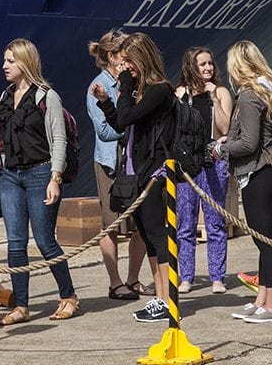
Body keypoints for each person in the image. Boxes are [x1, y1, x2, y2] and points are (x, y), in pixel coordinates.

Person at [0, 38, 79, 325]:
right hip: (11, 176)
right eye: (5, 60)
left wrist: (55, 177)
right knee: (15, 243)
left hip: (41, 173)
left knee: (45, 241)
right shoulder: (6, 97)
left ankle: (68, 296)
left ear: (25, 63)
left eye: (10, 61)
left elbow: (59, 139)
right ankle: (22, 305)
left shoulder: (46, 96)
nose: (4, 66)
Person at [92, 32, 175, 323]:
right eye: (122, 61)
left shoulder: (158, 90)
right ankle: (160, 297)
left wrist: (124, 85)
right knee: (150, 238)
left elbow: (127, 118)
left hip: (155, 174)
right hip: (138, 173)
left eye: (129, 61)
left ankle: (168, 298)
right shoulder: (143, 91)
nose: (125, 67)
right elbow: (122, 124)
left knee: (156, 235)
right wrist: (105, 103)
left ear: (141, 58)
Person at [216, 41, 272, 323]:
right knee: (266, 238)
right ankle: (262, 299)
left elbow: (249, 143)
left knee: (266, 240)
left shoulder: (248, 96)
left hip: (258, 172)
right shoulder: (271, 88)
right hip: (271, 171)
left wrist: (221, 149)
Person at [86, 29, 150, 301]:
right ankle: (115, 282)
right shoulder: (97, 88)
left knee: (143, 222)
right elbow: (103, 130)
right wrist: (131, 124)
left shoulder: (135, 81)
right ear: (112, 57)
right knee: (111, 225)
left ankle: (133, 278)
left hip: (137, 161)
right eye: (124, 52)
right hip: (111, 163)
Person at [174, 47, 233, 294]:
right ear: (191, 67)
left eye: (210, 63)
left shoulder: (220, 92)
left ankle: (217, 277)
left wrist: (215, 101)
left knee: (215, 221)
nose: (208, 68)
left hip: (212, 157)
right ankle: (186, 275)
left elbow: (225, 127)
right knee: (185, 222)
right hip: (187, 160)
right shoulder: (180, 94)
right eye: (202, 64)